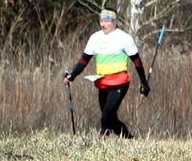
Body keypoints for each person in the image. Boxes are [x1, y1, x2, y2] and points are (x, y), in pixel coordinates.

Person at [63, 9, 150, 138]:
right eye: (101, 21)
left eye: (106, 21)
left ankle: (102, 139)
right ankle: (130, 139)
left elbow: (137, 62)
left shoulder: (124, 38)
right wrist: (73, 75)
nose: (103, 24)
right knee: (111, 119)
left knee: (106, 116)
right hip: (103, 84)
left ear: (114, 22)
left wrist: (144, 83)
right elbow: (84, 60)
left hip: (119, 83)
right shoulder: (95, 38)